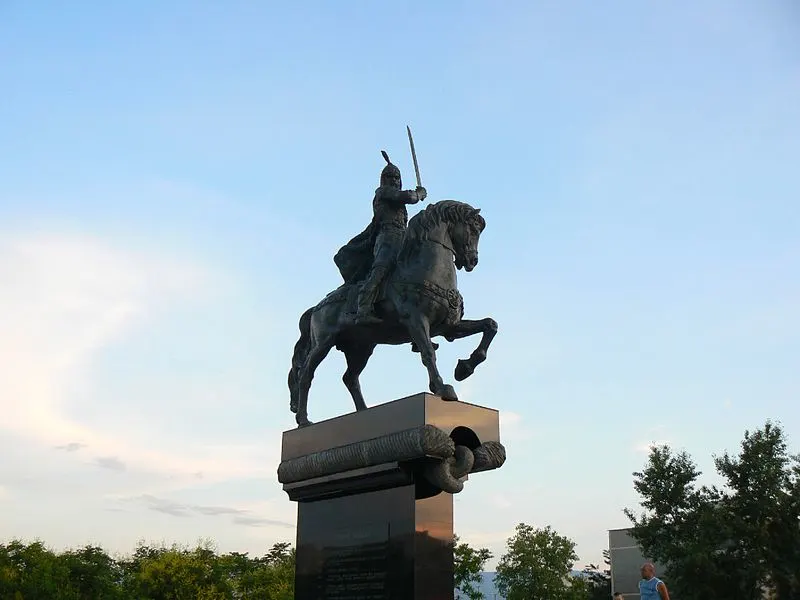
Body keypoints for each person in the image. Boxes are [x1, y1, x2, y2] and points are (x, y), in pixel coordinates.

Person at [333, 151, 427, 323]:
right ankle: (363, 307)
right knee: (381, 269)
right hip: (387, 237)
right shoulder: (383, 192)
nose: (394, 180)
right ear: (384, 179)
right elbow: (408, 197)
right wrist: (418, 194)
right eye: (390, 177)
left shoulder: (397, 202)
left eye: (397, 178)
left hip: (403, 237)